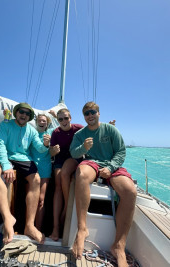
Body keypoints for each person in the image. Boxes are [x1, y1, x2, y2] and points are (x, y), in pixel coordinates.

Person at [70, 102, 137, 267]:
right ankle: (82, 229)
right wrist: (83, 147)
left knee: (130, 191)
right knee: (82, 173)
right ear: (84, 116)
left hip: (111, 165)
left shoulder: (110, 130)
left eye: (93, 112)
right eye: (86, 113)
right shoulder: (80, 134)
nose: (90, 115)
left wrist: (111, 167)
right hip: (92, 163)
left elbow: (121, 151)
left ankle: (119, 246)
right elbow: (73, 152)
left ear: (99, 113)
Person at [0, 103, 50, 245]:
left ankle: (29, 226)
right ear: (16, 113)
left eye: (27, 114)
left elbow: (39, 148)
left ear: (29, 117)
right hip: (6, 158)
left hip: (24, 159)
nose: (24, 115)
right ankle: (7, 218)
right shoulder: (5, 125)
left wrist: (45, 145)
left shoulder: (32, 131)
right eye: (21, 112)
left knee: (36, 180)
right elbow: (0, 145)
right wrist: (6, 165)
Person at [49, 108, 83, 241]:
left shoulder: (78, 129)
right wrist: (53, 151)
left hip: (74, 158)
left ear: (70, 118)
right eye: (60, 119)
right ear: (57, 120)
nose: (63, 121)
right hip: (60, 160)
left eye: (66, 118)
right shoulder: (55, 133)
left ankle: (66, 210)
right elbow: (51, 154)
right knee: (58, 182)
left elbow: (93, 132)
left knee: (64, 174)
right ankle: (56, 227)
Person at [29, 113, 54, 230]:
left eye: (44, 121)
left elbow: (65, 127)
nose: (42, 122)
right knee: (30, 199)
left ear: (47, 123)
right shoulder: (31, 133)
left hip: (45, 169)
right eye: (40, 120)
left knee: (40, 200)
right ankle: (28, 226)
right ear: (36, 122)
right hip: (31, 169)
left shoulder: (51, 134)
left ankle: (38, 229)